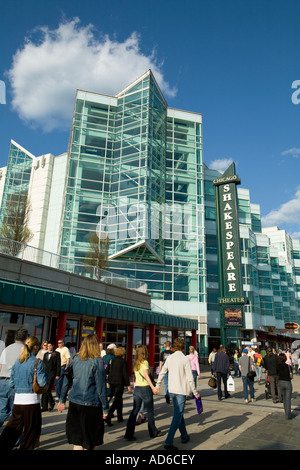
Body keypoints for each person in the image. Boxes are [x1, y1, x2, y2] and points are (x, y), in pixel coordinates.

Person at [57, 334, 109, 450]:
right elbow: (101, 387)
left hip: (75, 401)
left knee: (78, 440)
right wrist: (105, 407)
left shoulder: (75, 359)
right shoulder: (97, 361)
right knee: (93, 440)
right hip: (91, 404)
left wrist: (62, 399)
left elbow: (66, 380)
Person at [0, 336, 48, 450]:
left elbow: (12, 382)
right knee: (31, 431)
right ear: (35, 347)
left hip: (18, 399)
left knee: (13, 428)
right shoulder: (37, 362)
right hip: (31, 400)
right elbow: (42, 382)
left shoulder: (18, 362)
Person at [155, 338, 200, 451]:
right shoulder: (185, 359)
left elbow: (162, 372)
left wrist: (157, 385)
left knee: (179, 413)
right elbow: (190, 378)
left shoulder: (169, 358)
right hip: (181, 391)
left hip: (172, 390)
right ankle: (169, 441)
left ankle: (184, 436)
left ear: (175, 346)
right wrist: (195, 392)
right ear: (183, 346)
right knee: (177, 415)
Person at [124, 345, 161, 441]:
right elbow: (146, 376)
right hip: (145, 389)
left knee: (135, 410)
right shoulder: (145, 362)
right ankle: (153, 432)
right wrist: (153, 387)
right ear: (144, 353)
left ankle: (129, 433)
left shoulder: (136, 363)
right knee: (150, 411)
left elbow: (135, 376)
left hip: (137, 389)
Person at [0, 328, 28, 427]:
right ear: (26, 338)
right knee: (17, 414)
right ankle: (16, 440)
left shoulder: (7, 348)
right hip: (16, 382)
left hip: (2, 380)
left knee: (2, 411)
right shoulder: (25, 350)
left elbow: (1, 366)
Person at [105, 347, 132, 425]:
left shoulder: (112, 360)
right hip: (119, 382)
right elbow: (125, 374)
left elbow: (107, 371)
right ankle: (109, 415)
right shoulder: (123, 361)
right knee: (117, 400)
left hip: (111, 382)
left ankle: (120, 417)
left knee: (119, 399)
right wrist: (128, 385)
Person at [41, 342, 61, 412]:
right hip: (45, 372)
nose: (48, 347)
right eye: (47, 346)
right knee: (44, 388)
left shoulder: (56, 354)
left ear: (52, 346)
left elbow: (58, 364)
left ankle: (51, 402)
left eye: (50, 345)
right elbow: (43, 363)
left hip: (52, 372)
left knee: (48, 387)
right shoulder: (46, 354)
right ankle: (44, 406)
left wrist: (58, 374)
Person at [277, 353, 294, 419]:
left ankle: (286, 413)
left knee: (284, 399)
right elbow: (291, 374)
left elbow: (277, 373)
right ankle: (288, 415)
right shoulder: (288, 366)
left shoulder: (277, 366)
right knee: (288, 399)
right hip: (287, 382)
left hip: (281, 382)